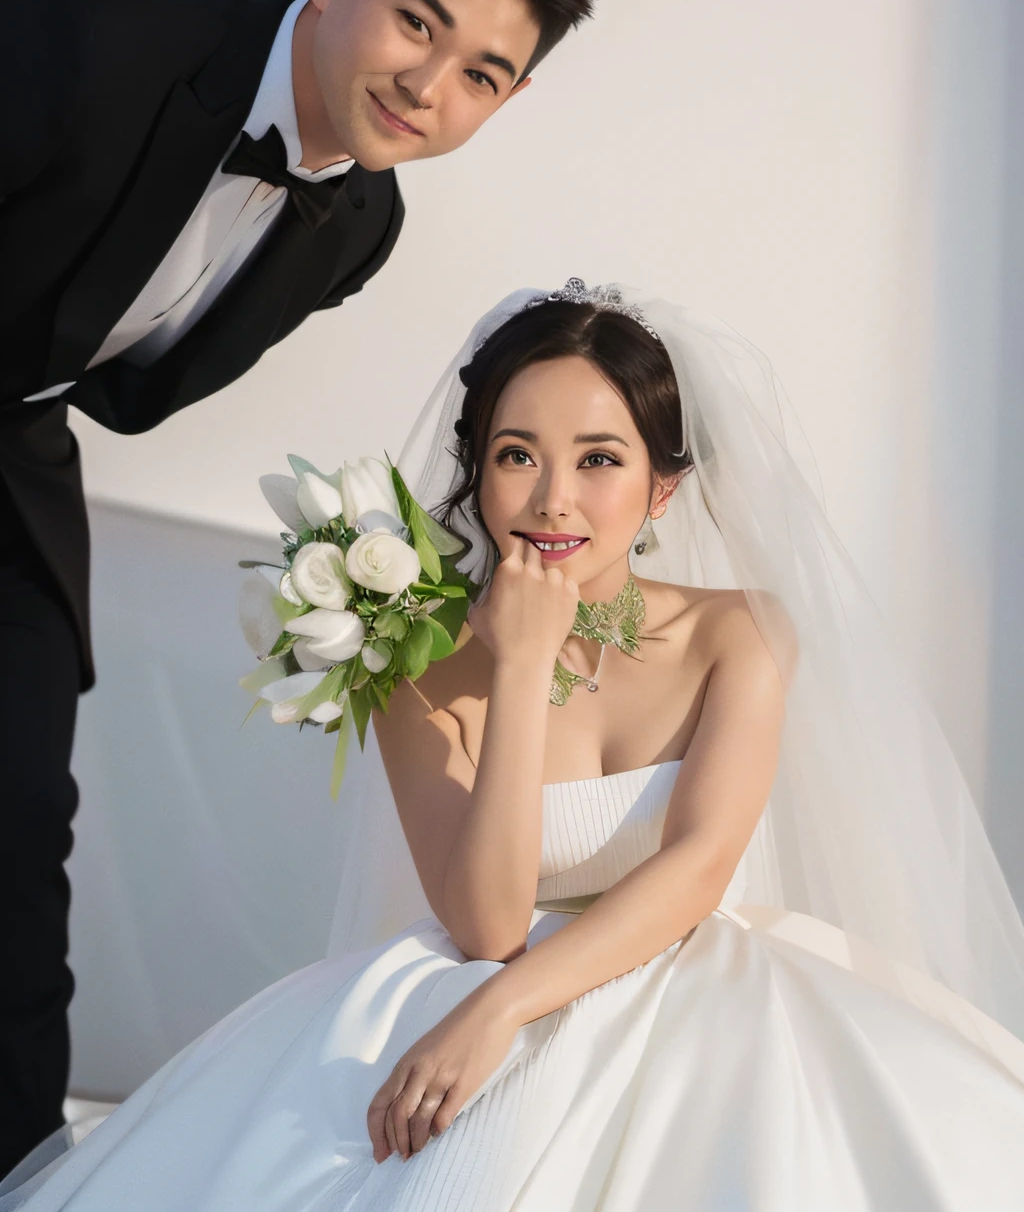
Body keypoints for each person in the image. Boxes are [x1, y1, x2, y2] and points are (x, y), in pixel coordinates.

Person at [3, 277, 1024, 1210]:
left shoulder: (740, 631)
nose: (551, 500)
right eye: (515, 455)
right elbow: (487, 923)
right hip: (471, 975)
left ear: (661, 489)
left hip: (690, 996)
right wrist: (522, 667)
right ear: (479, 471)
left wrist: (499, 1014)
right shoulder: (411, 663)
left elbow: (698, 867)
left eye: (599, 460)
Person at [0, 0, 598, 1180]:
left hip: (14, 457)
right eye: (416, 22)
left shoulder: (359, 226)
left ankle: (29, 1176)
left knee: (22, 821)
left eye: (483, 77)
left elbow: (119, 374)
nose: (427, 89)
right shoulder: (69, 37)